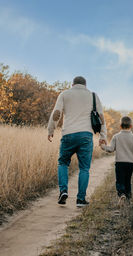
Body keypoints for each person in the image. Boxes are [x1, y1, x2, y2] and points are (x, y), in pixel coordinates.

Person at [48, 76, 107, 207]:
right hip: (86, 135)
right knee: (84, 168)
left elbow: (57, 112)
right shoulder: (93, 96)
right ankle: (80, 199)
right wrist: (103, 136)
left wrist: (50, 129)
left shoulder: (64, 94)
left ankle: (63, 191)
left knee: (63, 163)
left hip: (68, 134)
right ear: (85, 85)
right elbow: (101, 117)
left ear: (72, 84)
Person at [101, 116, 133, 205]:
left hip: (120, 163)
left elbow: (111, 149)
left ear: (120, 126)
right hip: (130, 163)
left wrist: (103, 146)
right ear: (131, 126)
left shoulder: (116, 136)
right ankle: (128, 198)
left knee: (120, 180)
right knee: (127, 180)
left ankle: (121, 194)